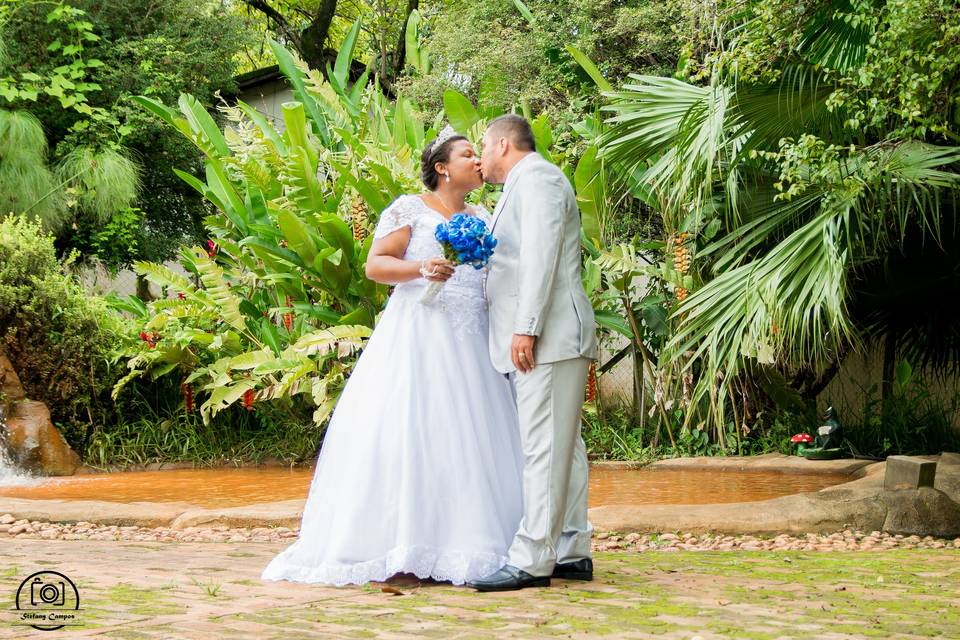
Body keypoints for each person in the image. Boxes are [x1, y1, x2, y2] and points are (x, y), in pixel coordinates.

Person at [261, 126, 524, 586]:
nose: (476, 162)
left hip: (471, 337)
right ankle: (401, 543)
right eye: (466, 155)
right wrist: (421, 268)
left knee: (470, 435)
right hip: (419, 335)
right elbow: (376, 264)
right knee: (411, 429)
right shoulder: (409, 208)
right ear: (442, 168)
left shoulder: (484, 213)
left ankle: (470, 543)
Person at [468, 114, 599, 592]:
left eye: (483, 148)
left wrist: (526, 328)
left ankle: (531, 558)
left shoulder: (539, 178)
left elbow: (541, 256)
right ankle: (571, 547)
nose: (480, 158)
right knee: (566, 447)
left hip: (550, 336)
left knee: (543, 447)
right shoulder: (520, 184)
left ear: (502, 144)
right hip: (551, 337)